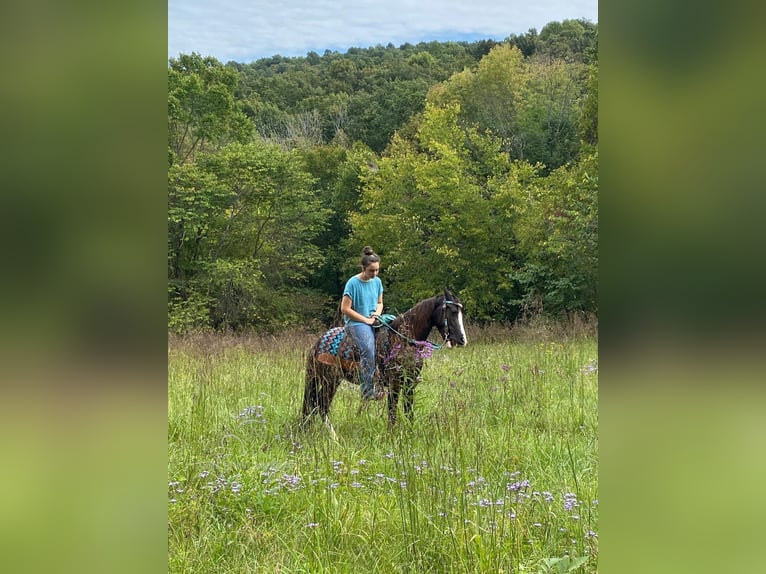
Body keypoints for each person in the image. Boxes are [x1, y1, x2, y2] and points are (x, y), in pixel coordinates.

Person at [341, 246, 386, 401]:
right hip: (356, 323)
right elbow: (345, 309)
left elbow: (380, 302)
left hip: (374, 318)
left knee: (397, 332)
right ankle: (368, 391)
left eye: (377, 270)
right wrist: (366, 320)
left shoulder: (377, 281)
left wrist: (376, 314)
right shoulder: (352, 283)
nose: (374, 274)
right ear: (363, 268)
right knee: (368, 348)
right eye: (371, 270)